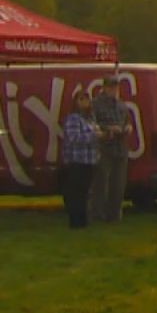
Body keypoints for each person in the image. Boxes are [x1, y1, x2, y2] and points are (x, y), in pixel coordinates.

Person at [87, 74, 131, 224]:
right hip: (104, 147)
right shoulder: (95, 104)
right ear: (104, 87)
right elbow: (92, 124)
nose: (114, 90)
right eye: (111, 87)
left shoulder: (121, 105)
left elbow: (127, 121)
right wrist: (108, 128)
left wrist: (127, 128)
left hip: (120, 147)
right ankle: (98, 215)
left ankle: (114, 215)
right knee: (101, 184)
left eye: (116, 87)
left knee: (118, 184)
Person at [59, 89, 101, 229]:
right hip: (76, 161)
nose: (84, 103)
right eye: (81, 100)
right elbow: (73, 138)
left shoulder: (90, 118)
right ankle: (75, 222)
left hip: (89, 161)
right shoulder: (73, 119)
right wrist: (94, 136)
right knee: (75, 193)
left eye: (86, 99)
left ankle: (83, 221)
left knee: (84, 192)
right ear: (76, 102)